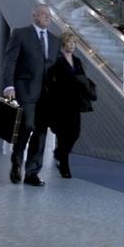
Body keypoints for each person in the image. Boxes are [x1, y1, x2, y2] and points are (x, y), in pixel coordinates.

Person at [0, 4, 60, 187]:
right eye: (43, 14)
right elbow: (10, 60)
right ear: (34, 16)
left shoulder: (55, 40)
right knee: (27, 126)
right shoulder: (20, 34)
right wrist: (9, 85)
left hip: (47, 95)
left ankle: (32, 173)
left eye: (49, 15)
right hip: (25, 89)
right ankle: (17, 162)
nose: (47, 17)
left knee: (41, 132)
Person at [45, 31, 92, 178]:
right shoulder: (57, 60)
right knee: (63, 135)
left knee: (75, 132)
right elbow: (49, 80)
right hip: (60, 103)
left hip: (75, 103)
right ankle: (64, 167)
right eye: (70, 42)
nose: (72, 45)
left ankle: (59, 153)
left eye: (74, 43)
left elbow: (83, 78)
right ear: (64, 43)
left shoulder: (77, 61)